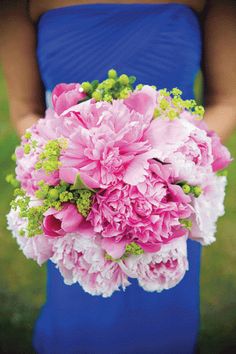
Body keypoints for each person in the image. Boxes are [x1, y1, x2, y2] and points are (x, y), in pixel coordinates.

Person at [0, 1, 236, 353]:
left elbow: (227, 100)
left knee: (164, 321)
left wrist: (168, 166)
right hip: (77, 198)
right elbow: (25, 110)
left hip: (166, 199)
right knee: (80, 320)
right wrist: (72, 170)